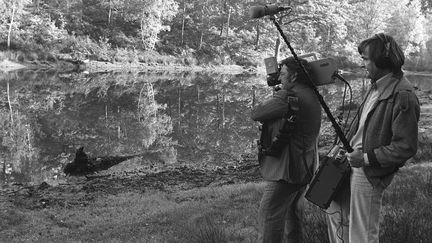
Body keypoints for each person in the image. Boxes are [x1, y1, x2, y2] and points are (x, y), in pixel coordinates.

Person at [326, 33, 420, 243]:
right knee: (335, 213)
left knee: (362, 233)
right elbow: (361, 128)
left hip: (367, 171)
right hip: (346, 163)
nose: (363, 65)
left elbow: (405, 147)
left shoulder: (403, 95)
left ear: (383, 60)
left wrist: (366, 158)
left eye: (366, 59)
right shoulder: (375, 86)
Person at [251, 56, 322, 242]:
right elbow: (294, 124)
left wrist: (278, 93)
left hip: (287, 169)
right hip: (306, 165)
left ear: (294, 76)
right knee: (293, 214)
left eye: (282, 74)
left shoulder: (287, 97)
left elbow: (256, 113)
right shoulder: (311, 93)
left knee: (269, 214)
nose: (279, 78)